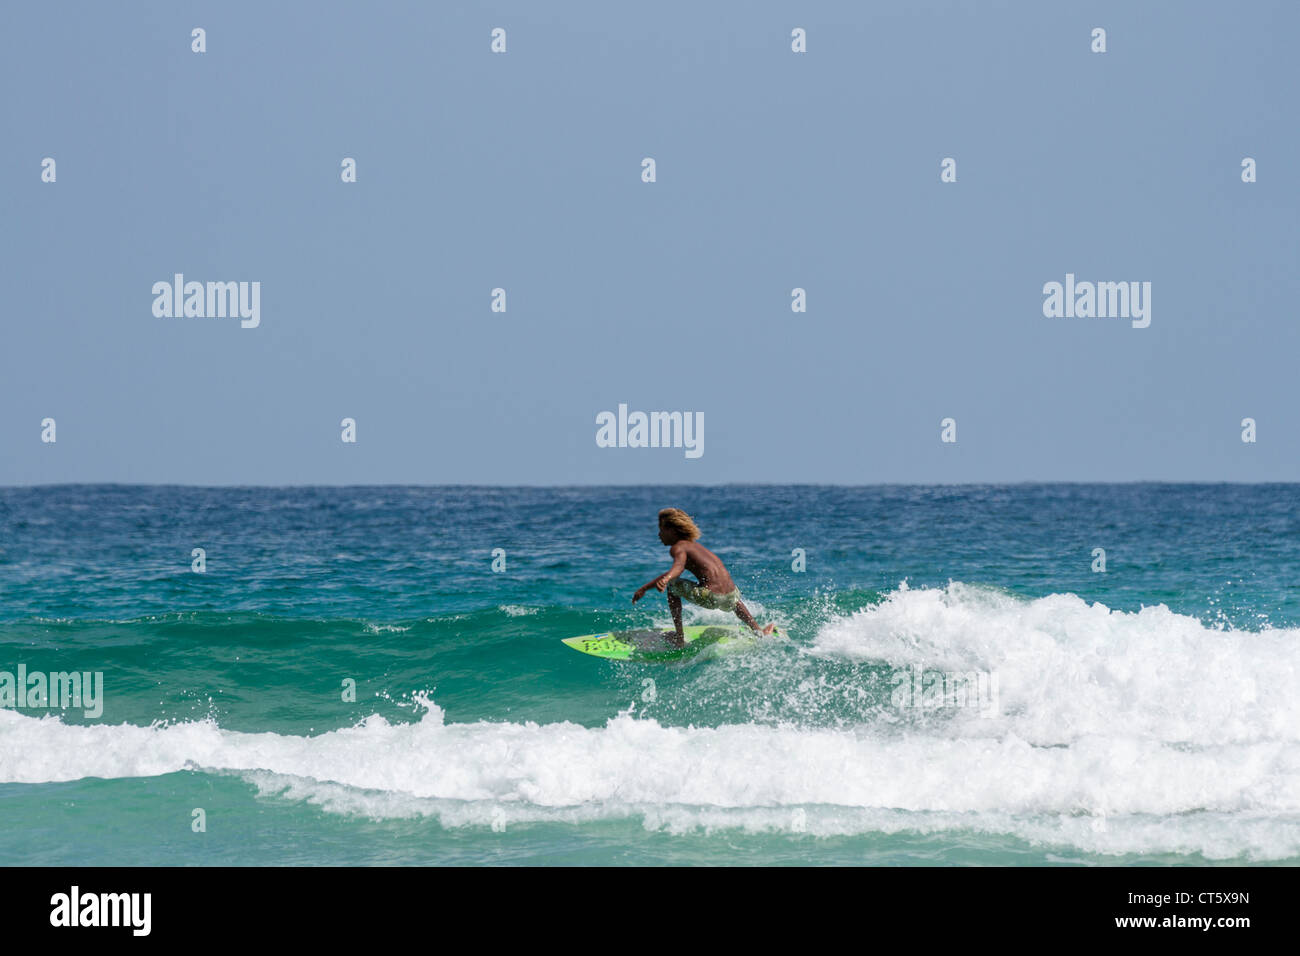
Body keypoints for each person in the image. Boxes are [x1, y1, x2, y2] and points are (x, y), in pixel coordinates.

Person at [632, 507, 777, 646]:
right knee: (733, 599)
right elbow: (674, 570)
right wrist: (645, 588)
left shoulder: (678, 548)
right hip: (732, 595)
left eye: (661, 529)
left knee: (672, 586)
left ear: (673, 530)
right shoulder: (696, 547)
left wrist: (667, 580)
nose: (659, 535)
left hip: (710, 596)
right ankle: (759, 631)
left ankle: (679, 639)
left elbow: (678, 567)